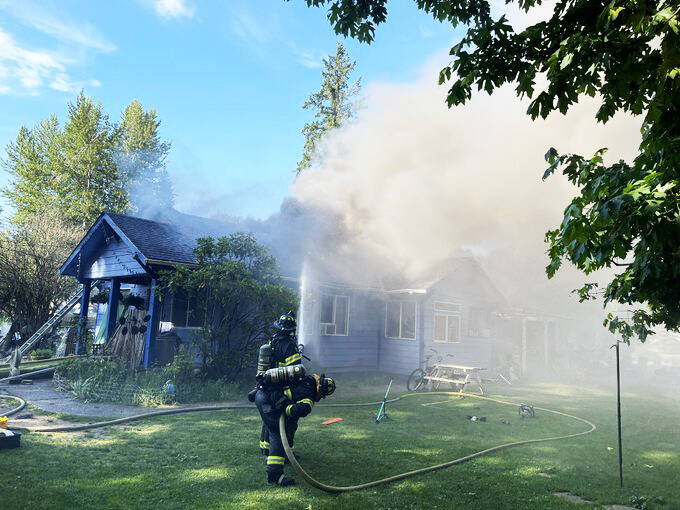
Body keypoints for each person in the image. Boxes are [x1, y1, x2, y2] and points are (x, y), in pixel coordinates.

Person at [255, 372, 336, 486]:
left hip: (263, 394)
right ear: (320, 390)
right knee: (278, 434)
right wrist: (287, 407)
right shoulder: (309, 393)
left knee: (279, 426)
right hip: (268, 400)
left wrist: (285, 407)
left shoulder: (306, 380)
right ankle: (275, 476)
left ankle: (278, 454)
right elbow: (300, 410)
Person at [258, 312, 303, 459]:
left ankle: (265, 448)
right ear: (291, 330)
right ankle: (286, 452)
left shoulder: (273, 340)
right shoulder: (290, 346)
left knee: (269, 419)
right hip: (283, 387)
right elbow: (296, 370)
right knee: (289, 421)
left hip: (269, 386)